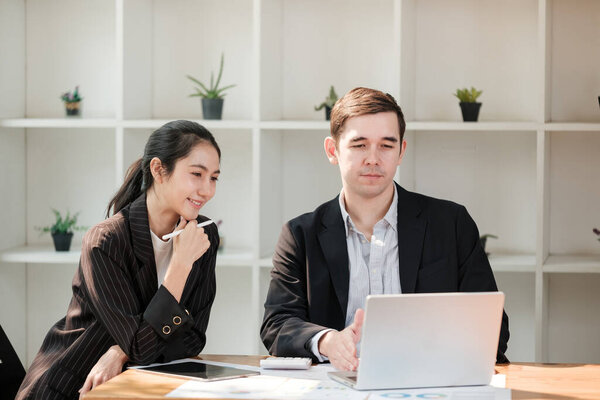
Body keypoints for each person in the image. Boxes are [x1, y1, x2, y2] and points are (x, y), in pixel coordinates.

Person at [260, 87, 509, 371]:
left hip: (431, 381)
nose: (373, 159)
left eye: (386, 145)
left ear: (401, 151)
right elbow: (277, 325)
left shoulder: (451, 223)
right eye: (359, 145)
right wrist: (328, 341)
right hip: (337, 385)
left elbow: (495, 330)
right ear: (333, 151)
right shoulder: (300, 235)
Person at [16, 120, 221, 399]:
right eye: (197, 174)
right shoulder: (105, 241)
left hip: (141, 385)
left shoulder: (203, 236)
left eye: (214, 178)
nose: (207, 190)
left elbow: (193, 338)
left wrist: (119, 350)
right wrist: (181, 265)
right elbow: (142, 346)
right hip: (74, 385)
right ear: (159, 170)